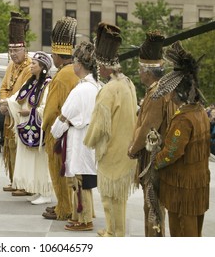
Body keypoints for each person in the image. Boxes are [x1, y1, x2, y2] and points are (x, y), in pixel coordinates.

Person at [84, 22, 138, 237]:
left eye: (99, 65)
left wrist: (88, 141)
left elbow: (100, 125)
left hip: (112, 150)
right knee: (119, 197)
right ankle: (117, 231)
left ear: (103, 66)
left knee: (108, 196)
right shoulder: (128, 83)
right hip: (127, 149)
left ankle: (113, 233)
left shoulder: (109, 89)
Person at [151, 41, 210, 237]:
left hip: (182, 188)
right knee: (194, 231)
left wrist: (154, 162)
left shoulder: (183, 119)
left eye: (173, 91)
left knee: (182, 232)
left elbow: (171, 153)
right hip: (197, 184)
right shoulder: (200, 112)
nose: (170, 95)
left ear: (181, 92)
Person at [127, 31, 177, 237]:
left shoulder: (158, 94)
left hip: (154, 159)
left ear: (148, 72)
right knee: (153, 209)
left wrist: (133, 148)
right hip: (156, 157)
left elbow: (148, 125)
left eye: (140, 70)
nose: (139, 74)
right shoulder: (159, 90)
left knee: (153, 210)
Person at [51, 41, 101, 231]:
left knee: (79, 178)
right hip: (89, 136)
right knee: (82, 176)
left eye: (75, 62)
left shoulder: (81, 90)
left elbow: (65, 115)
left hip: (79, 137)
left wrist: (55, 132)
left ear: (79, 64)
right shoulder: (96, 86)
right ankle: (78, 215)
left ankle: (84, 219)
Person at [0, 51, 54, 205]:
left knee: (41, 162)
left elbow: (47, 107)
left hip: (38, 129)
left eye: (34, 64)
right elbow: (16, 99)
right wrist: (4, 103)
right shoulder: (31, 82)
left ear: (43, 67)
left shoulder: (47, 85)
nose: (31, 65)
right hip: (27, 127)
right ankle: (37, 189)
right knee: (31, 161)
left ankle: (46, 192)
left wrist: (31, 112)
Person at [42, 16, 79, 220]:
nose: (52, 58)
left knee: (59, 173)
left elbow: (50, 110)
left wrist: (44, 127)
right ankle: (65, 206)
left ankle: (64, 209)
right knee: (71, 174)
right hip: (73, 132)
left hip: (58, 133)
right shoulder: (75, 71)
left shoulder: (62, 76)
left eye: (53, 54)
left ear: (57, 55)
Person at [0, 12, 32, 195]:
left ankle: (23, 183)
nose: (12, 55)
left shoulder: (29, 67)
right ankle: (14, 180)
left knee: (21, 149)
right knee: (9, 147)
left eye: (16, 51)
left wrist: (9, 104)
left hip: (21, 114)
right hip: (8, 113)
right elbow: (4, 86)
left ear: (24, 49)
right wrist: (4, 102)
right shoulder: (10, 65)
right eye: (10, 51)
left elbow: (24, 93)